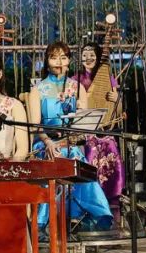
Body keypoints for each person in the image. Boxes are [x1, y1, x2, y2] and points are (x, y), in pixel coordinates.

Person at [27, 41, 113, 231]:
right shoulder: (38, 90)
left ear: (69, 61)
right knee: (56, 156)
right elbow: (35, 125)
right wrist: (48, 142)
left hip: (70, 141)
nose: (59, 62)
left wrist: (80, 114)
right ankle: (45, 218)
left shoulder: (77, 87)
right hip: (45, 142)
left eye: (63, 57)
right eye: (54, 57)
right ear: (47, 61)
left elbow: (84, 124)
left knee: (74, 155)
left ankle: (79, 214)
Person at [77, 41, 127, 207]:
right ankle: (90, 197)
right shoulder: (76, 80)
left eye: (92, 55)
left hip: (105, 130)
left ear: (98, 57)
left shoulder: (108, 79)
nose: (88, 58)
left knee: (109, 144)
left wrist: (117, 100)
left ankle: (112, 195)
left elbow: (118, 112)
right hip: (86, 131)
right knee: (91, 146)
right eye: (84, 55)